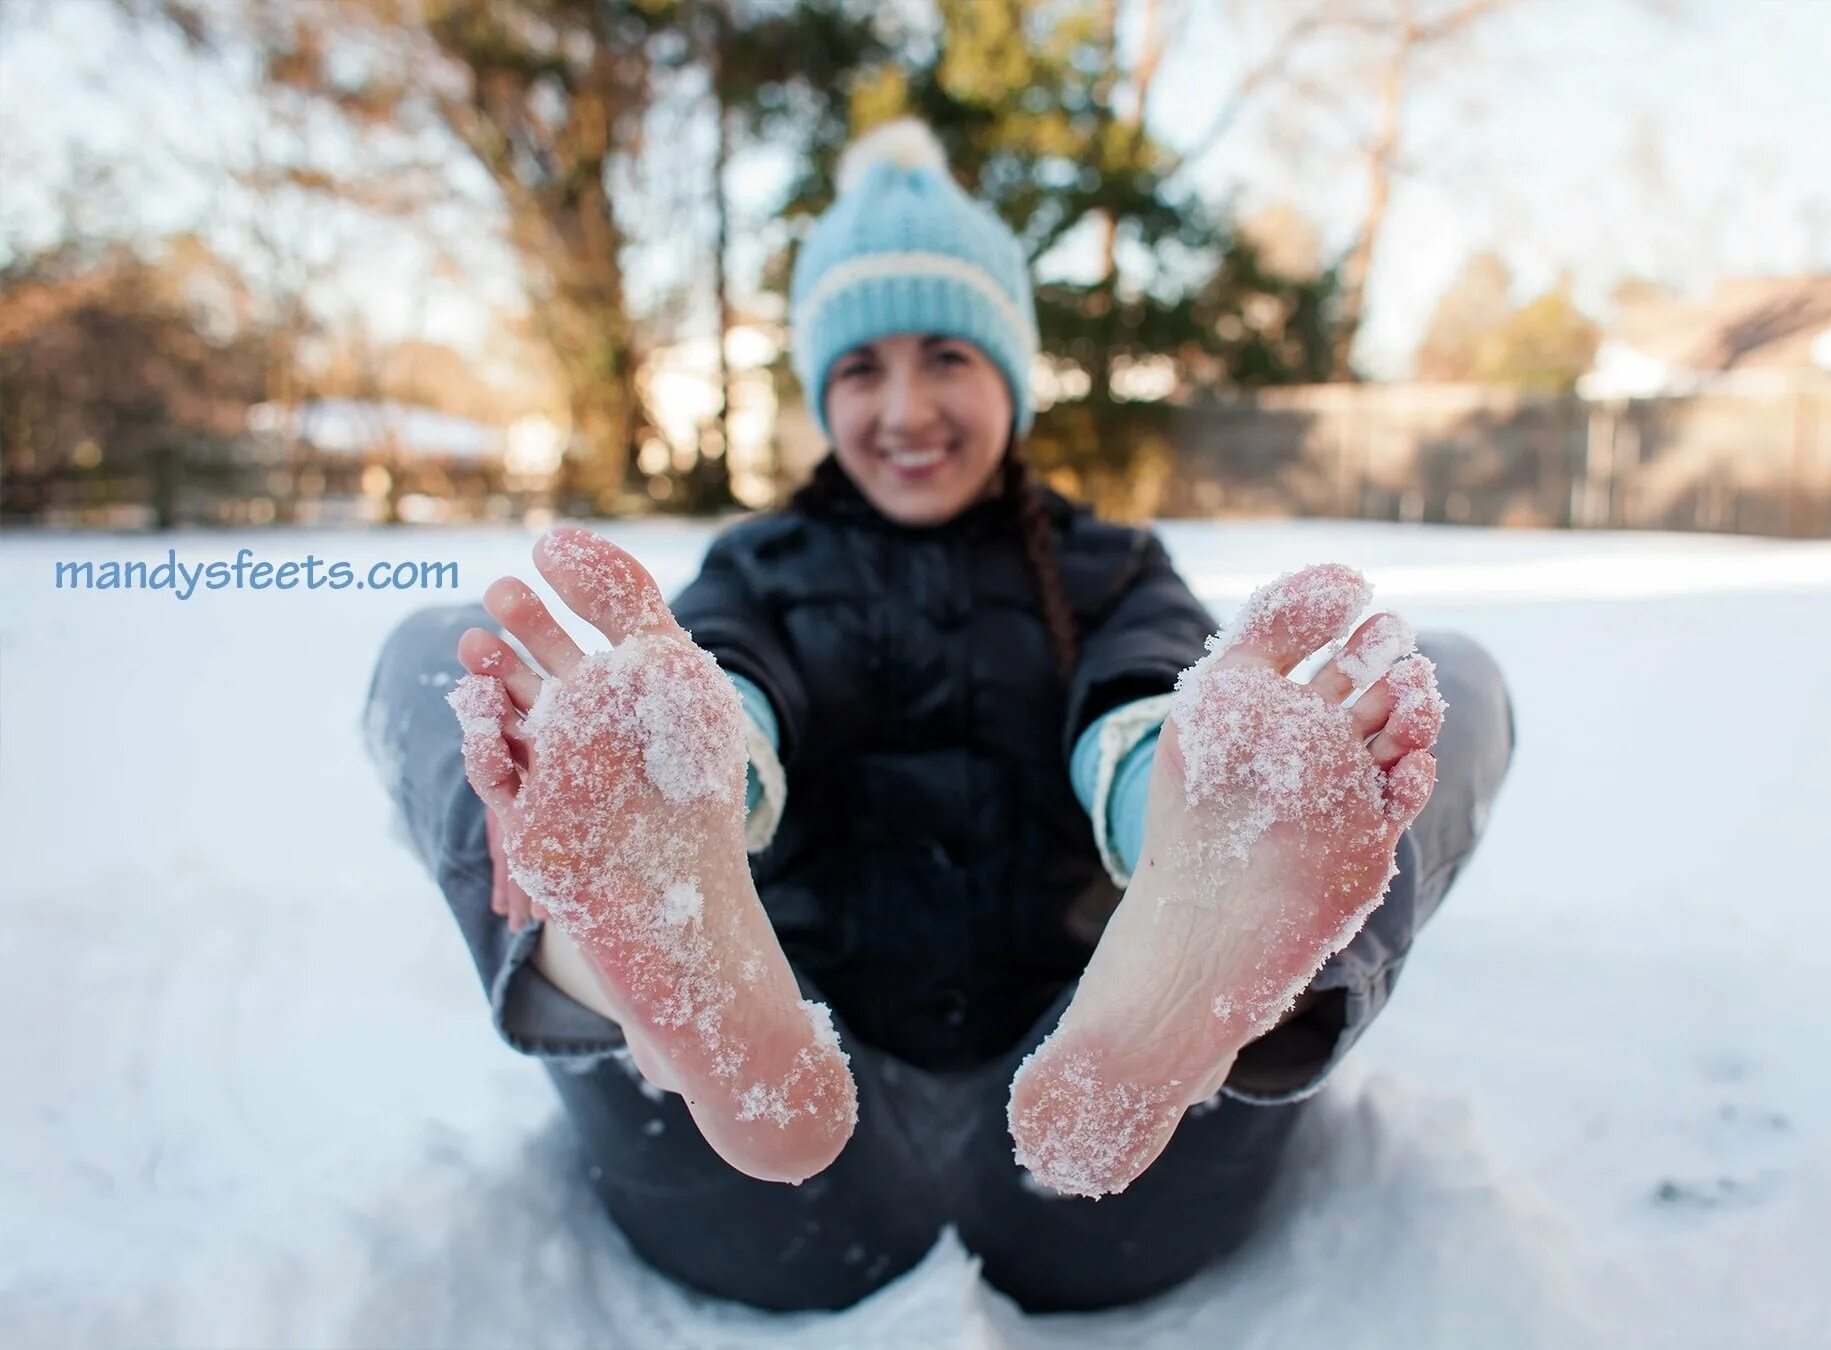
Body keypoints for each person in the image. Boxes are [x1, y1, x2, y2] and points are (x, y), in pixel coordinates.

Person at [362, 119, 1515, 1314]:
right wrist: (697, 756)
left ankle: (1231, 993)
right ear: (821, 390)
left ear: (1010, 370)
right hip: (772, 1133)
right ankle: (617, 974)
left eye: (947, 355)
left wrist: (1181, 796)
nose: (905, 407)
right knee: (453, 656)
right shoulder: (760, 566)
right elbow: (736, 681)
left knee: (1436, 675)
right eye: (861, 369)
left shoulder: (1107, 569)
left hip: (1103, 1123)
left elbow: (1134, 701)